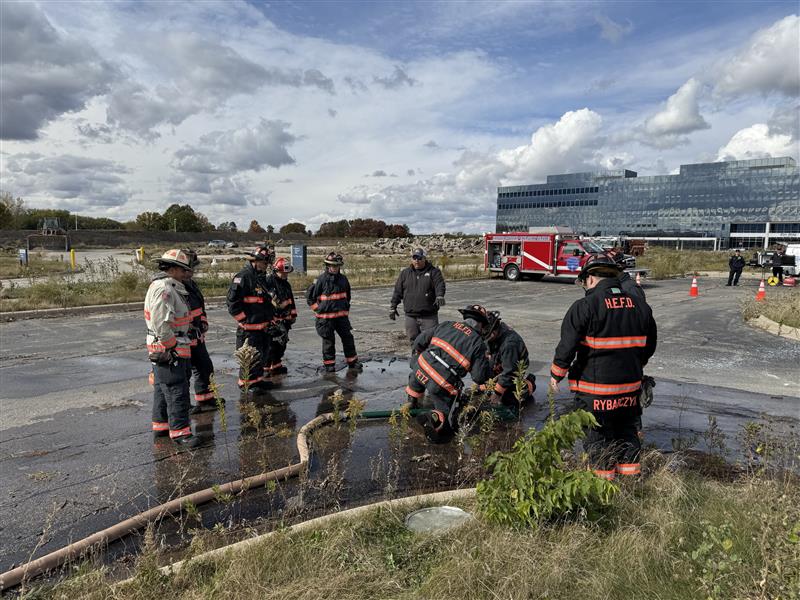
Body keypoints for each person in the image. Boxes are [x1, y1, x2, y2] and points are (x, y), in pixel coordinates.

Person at [549, 255, 657, 481]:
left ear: (589, 278)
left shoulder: (585, 306)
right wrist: (636, 365)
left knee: (598, 439)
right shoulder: (640, 306)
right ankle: (630, 485)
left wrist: (555, 376)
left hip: (595, 393)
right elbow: (649, 346)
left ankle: (602, 489)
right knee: (628, 436)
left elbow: (566, 348)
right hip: (629, 392)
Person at [405, 305, 493, 442]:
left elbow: (419, 341)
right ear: (481, 324)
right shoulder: (478, 343)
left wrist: (419, 359)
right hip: (440, 382)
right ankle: (435, 417)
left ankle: (412, 402)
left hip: (420, 367)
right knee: (448, 421)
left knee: (417, 377)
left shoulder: (447, 324)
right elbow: (479, 377)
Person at [145, 249, 201, 448]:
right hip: (170, 347)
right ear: (174, 269)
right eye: (183, 269)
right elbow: (161, 323)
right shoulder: (165, 289)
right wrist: (173, 347)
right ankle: (180, 433)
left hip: (170, 345)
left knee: (163, 389)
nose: (186, 274)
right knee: (177, 389)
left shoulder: (168, 286)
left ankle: (161, 426)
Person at [227, 245, 276, 392]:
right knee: (248, 359)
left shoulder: (260, 278)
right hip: (249, 330)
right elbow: (232, 303)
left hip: (262, 328)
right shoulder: (243, 277)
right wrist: (244, 321)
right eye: (265, 263)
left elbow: (265, 303)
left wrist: (271, 319)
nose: (266, 266)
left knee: (260, 357)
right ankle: (246, 385)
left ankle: (257, 381)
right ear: (256, 261)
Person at [306, 252, 362, 373]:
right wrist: (318, 310)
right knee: (328, 342)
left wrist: (345, 309)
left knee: (348, 339)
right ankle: (329, 365)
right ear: (327, 265)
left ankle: (352, 361)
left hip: (341, 318)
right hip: (325, 319)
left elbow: (347, 296)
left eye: (337, 266)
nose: (335, 268)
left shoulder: (343, 279)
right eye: (332, 265)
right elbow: (310, 298)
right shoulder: (321, 280)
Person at [183, 250, 222, 413]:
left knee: (205, 367)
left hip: (197, 336)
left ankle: (205, 399)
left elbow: (199, 307)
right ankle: (184, 406)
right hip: (182, 339)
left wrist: (203, 321)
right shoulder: (175, 286)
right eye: (192, 268)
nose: (194, 271)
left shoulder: (191, 284)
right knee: (183, 375)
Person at [484, 310, 535, 418]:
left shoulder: (509, 344)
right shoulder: (493, 335)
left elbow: (510, 372)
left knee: (509, 399)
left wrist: (497, 394)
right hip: (499, 365)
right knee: (482, 391)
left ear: (495, 329)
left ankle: (529, 384)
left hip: (513, 371)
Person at [389, 248, 446, 344]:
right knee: (414, 343)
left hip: (429, 317)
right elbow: (397, 291)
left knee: (430, 342)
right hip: (411, 316)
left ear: (424, 258)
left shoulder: (434, 272)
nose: (416, 261)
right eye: (414, 258)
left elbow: (439, 285)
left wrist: (440, 295)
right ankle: (415, 358)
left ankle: (428, 359)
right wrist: (393, 307)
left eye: (419, 258)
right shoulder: (405, 273)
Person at [265, 257, 298, 375]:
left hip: (285, 321)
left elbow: (291, 301)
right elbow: (267, 302)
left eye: (286, 273)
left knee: (281, 345)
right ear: (275, 271)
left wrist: (293, 315)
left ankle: (277, 366)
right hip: (273, 321)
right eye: (282, 273)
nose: (285, 275)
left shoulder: (286, 284)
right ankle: (266, 369)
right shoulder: (268, 282)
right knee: (270, 346)